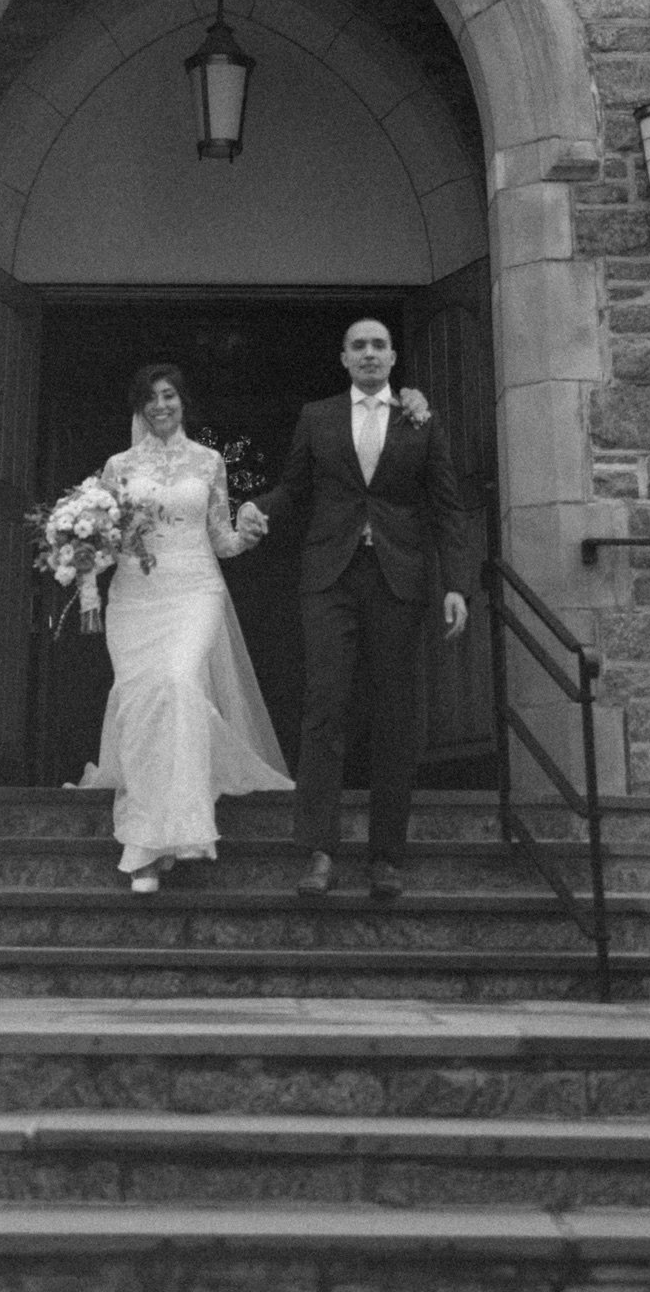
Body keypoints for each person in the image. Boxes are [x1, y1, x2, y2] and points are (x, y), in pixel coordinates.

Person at [238, 315, 472, 901]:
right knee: (325, 706)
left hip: (398, 579)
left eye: (379, 346)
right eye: (358, 346)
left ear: (394, 357)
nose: (369, 354)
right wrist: (258, 507)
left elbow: (447, 507)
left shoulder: (419, 419)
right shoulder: (317, 417)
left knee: (396, 714)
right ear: (343, 359)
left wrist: (456, 584)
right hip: (330, 577)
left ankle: (386, 857)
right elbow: (295, 488)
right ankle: (318, 851)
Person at [76, 361, 292, 892]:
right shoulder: (118, 465)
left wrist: (250, 530)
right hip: (135, 596)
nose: (160, 406)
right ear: (139, 408)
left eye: (169, 396)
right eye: (150, 398)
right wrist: (86, 589)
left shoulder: (209, 461)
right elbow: (97, 537)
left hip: (196, 589)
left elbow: (221, 539)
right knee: (144, 699)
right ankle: (162, 829)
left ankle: (157, 839)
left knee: (177, 683)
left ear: (182, 402)